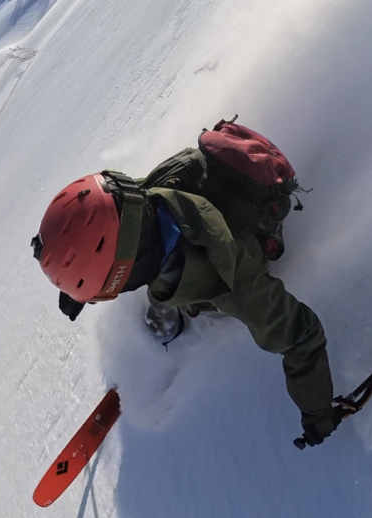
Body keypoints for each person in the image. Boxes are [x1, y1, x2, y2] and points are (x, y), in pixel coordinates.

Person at [31, 124, 347, 447]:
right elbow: (100, 230)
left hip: (245, 235)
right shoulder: (135, 203)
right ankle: (167, 300)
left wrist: (317, 412)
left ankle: (188, 307)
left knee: (197, 292)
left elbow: (303, 337)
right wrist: (79, 289)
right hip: (200, 211)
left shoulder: (228, 274)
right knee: (160, 268)